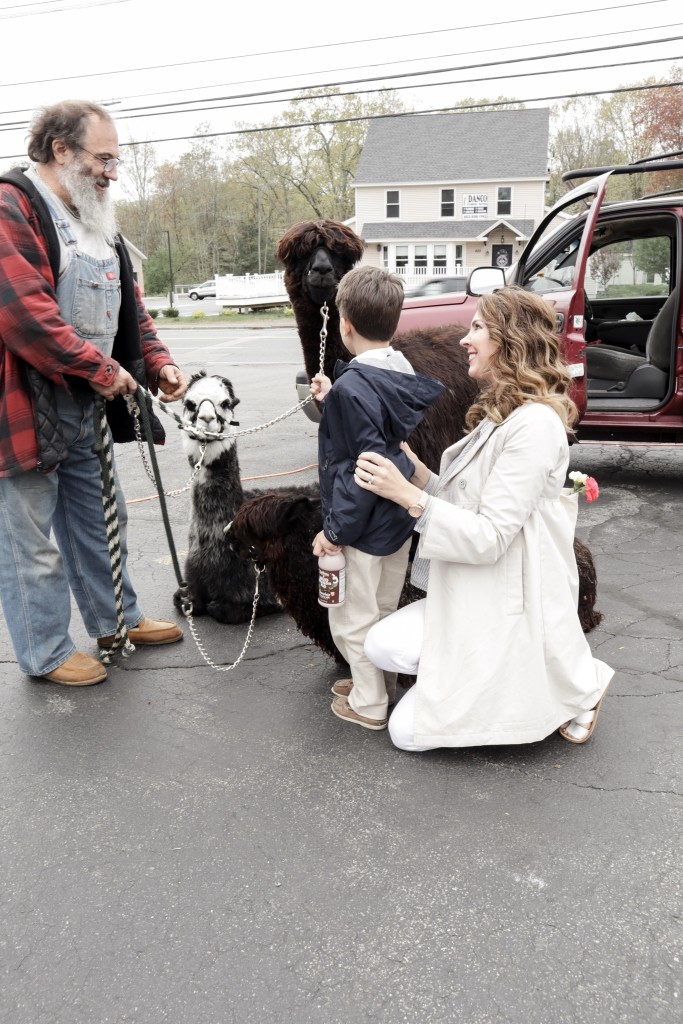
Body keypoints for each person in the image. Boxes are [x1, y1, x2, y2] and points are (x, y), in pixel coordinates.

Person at [354, 286, 613, 751]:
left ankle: (579, 688)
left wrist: (408, 495)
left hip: (506, 595)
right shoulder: (502, 414)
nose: (463, 340)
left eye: (477, 328)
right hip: (476, 587)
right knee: (382, 645)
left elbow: (490, 537)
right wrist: (420, 474)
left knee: (406, 733)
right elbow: (467, 500)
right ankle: (473, 674)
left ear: (509, 342)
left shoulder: (534, 427)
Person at [0, 100, 188, 687]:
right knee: (31, 542)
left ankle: (118, 622)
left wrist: (156, 363)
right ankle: (47, 650)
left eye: (115, 161)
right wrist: (102, 371)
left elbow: (129, 306)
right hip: (27, 406)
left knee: (102, 525)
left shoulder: (94, 217)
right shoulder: (12, 205)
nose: (111, 171)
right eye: (103, 158)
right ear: (61, 150)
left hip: (84, 403)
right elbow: (24, 315)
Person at [310, 265, 443, 730]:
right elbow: (378, 432)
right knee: (382, 609)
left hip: (360, 525)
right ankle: (379, 684)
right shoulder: (399, 370)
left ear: (344, 325)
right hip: (397, 519)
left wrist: (333, 533)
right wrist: (335, 399)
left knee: (352, 617)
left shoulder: (353, 388)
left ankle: (368, 703)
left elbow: (358, 471)